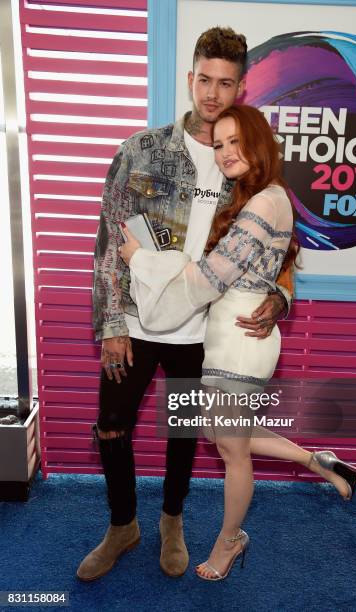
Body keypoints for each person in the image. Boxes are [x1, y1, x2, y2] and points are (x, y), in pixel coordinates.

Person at [77, 27, 294, 582]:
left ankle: (172, 522)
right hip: (137, 320)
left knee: (183, 430)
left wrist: (280, 296)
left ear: (241, 87)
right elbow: (109, 243)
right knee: (110, 426)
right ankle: (123, 525)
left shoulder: (243, 164)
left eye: (225, 83)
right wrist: (112, 323)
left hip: (205, 330)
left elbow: (277, 247)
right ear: (190, 77)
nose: (212, 93)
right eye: (203, 79)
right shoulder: (140, 150)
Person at [119, 105, 356, 581]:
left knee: (231, 450)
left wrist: (141, 259)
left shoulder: (265, 202)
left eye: (236, 142)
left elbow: (212, 277)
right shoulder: (261, 198)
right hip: (230, 337)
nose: (227, 152)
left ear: (259, 144)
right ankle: (317, 460)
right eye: (219, 144)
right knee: (221, 435)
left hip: (241, 342)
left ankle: (229, 543)